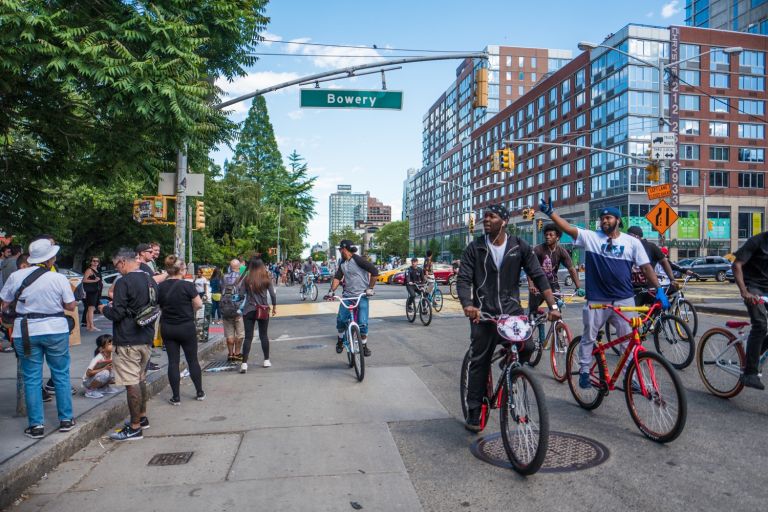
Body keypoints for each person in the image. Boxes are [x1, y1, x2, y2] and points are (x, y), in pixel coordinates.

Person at [539, 200, 669, 389]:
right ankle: (584, 370)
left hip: (625, 299)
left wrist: (658, 290)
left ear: (618, 220)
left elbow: (646, 267)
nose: (604, 221)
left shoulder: (632, 242)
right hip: (597, 300)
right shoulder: (592, 237)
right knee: (589, 336)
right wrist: (551, 213)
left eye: (608, 218)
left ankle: (628, 376)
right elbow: (568, 229)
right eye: (602, 219)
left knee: (628, 342)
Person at [457, 204, 560, 432]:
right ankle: (474, 409)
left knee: (528, 346)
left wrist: (552, 305)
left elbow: (538, 275)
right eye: (484, 217)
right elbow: (463, 279)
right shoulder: (475, 248)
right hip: (483, 313)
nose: (486, 220)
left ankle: (511, 364)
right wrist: (468, 305)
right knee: (480, 360)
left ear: (504, 221)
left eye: (491, 216)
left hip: (511, 311)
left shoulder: (519, 246)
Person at [0, 238, 77, 438]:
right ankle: (66, 419)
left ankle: (36, 425)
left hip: (25, 331)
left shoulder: (17, 276)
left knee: (32, 378)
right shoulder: (58, 278)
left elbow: (5, 302)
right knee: (60, 374)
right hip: (55, 329)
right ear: (49, 258)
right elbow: (70, 306)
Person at [100, 247, 158, 441]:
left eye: (116, 265)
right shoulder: (150, 279)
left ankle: (134, 427)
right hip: (146, 337)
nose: (117, 269)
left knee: (131, 383)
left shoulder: (124, 282)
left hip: (127, 339)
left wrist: (103, 309)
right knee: (140, 378)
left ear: (123, 262)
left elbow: (117, 313)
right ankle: (142, 418)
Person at [157, 255, 205, 404]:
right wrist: (188, 310)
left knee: (173, 362)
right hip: (186, 326)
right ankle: (199, 392)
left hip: (167, 327)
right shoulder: (187, 286)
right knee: (192, 360)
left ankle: (176, 397)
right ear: (181, 270)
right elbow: (198, 304)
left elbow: (158, 305)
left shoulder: (161, 287)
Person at [527, 223, 583, 344]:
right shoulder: (538, 250)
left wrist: (578, 287)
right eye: (546, 234)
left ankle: (560, 336)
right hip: (537, 286)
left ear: (557, 237)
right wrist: (531, 285)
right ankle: (532, 336)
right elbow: (529, 268)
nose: (547, 237)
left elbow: (571, 269)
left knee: (557, 311)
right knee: (533, 313)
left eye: (551, 235)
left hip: (553, 286)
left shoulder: (561, 251)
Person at [327, 240, 378, 357]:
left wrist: (370, 288)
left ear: (344, 249)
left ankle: (364, 345)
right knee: (341, 320)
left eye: (340, 249)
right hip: (347, 296)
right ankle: (340, 340)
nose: (340, 251)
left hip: (362, 295)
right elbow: (337, 277)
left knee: (363, 323)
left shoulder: (358, 260)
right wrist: (331, 291)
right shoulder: (342, 263)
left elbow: (374, 272)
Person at [731, 230, 768, 390]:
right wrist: (744, 292)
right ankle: (750, 373)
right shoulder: (757, 241)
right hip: (753, 287)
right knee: (760, 324)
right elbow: (736, 265)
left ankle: (756, 351)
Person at [626, 226, 690, 305]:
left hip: (648, 288)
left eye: (629, 236)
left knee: (652, 311)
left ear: (636, 236)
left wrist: (672, 279)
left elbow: (664, 262)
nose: (627, 238)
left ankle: (661, 315)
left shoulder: (650, 247)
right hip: (631, 288)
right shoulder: (627, 247)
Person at [238, 258, 277, 373]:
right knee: (263, 335)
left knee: (248, 337)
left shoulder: (247, 278)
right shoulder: (266, 278)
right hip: (263, 309)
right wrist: (274, 307)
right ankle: (266, 360)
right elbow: (273, 295)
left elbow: (240, 294)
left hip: (249, 309)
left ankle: (244, 364)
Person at [221, 259, 245, 362]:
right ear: (239, 267)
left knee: (229, 334)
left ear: (230, 267)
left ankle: (230, 354)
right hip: (238, 309)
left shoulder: (223, 277)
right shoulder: (242, 277)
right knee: (240, 334)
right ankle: (237, 353)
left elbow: (220, 289)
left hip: (225, 309)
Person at [82, 334, 120, 398]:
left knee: (117, 371)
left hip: (98, 376)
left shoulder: (112, 355)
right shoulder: (98, 358)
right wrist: (104, 368)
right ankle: (90, 391)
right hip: (88, 381)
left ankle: (104, 388)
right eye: (109, 344)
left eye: (113, 343)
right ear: (102, 348)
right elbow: (88, 373)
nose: (113, 345)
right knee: (105, 372)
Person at [81, 256, 102, 332]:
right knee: (91, 309)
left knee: (90, 309)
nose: (95, 262)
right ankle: (92, 326)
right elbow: (84, 280)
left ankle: (88, 326)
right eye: (94, 261)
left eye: (97, 261)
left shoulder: (96, 270)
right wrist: (94, 280)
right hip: (91, 292)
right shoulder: (89, 270)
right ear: (91, 262)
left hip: (95, 291)